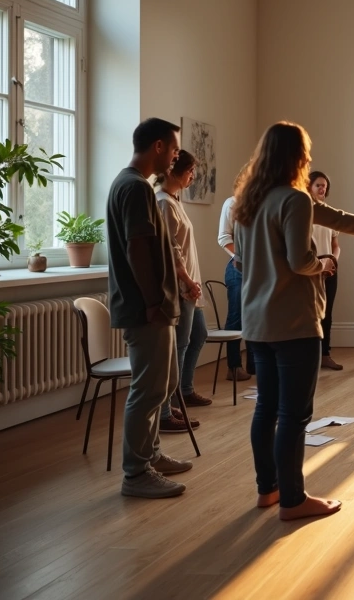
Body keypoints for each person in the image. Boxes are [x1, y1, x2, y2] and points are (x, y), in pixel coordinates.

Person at [233, 121, 354, 521]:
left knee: (266, 407)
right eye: (306, 153)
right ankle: (294, 500)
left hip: (258, 322)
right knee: (295, 414)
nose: (310, 160)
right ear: (295, 158)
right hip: (294, 322)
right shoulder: (294, 201)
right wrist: (325, 263)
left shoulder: (248, 203)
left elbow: (339, 219)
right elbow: (301, 261)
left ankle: (269, 491)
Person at [106, 117, 191, 498]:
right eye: (173, 148)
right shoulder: (136, 189)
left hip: (153, 308)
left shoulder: (132, 185)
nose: (175, 155)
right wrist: (155, 302)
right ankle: (136, 473)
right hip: (146, 310)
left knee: (163, 384)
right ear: (158, 146)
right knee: (148, 388)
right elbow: (138, 249)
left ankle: (151, 454)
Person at [155, 150, 212, 436]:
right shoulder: (163, 202)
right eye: (190, 170)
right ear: (173, 170)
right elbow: (171, 250)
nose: (193, 176)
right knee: (177, 347)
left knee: (197, 335)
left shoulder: (175, 201)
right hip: (181, 287)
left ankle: (184, 391)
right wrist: (188, 281)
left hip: (190, 285)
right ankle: (165, 412)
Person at [309, 171, 343, 371]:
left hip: (330, 271)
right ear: (309, 187)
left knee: (327, 314)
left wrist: (332, 261)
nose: (322, 189)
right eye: (318, 185)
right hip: (311, 271)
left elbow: (335, 245)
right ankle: (310, 358)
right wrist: (318, 264)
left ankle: (325, 354)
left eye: (324, 186)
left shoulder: (330, 213)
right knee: (311, 315)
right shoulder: (305, 213)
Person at [218, 195, 255, 381]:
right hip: (238, 269)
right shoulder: (232, 202)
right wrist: (243, 259)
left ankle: (254, 366)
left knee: (256, 317)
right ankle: (233, 366)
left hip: (259, 270)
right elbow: (224, 238)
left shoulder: (263, 201)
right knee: (236, 317)